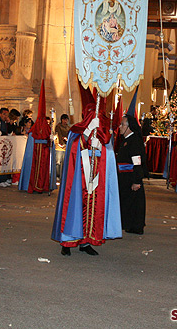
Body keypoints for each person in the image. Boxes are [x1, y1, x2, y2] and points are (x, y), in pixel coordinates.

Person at [51, 84, 121, 256]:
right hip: (78, 179)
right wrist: (87, 136)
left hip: (94, 178)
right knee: (74, 207)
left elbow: (109, 154)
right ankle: (67, 242)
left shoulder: (103, 133)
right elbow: (72, 150)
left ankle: (86, 241)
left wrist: (102, 147)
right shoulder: (77, 132)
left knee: (92, 209)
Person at [18, 81, 54, 194]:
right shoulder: (37, 127)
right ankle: (35, 186)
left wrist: (50, 139)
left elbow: (48, 138)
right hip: (38, 151)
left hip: (43, 151)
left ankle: (42, 186)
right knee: (36, 168)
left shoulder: (41, 126)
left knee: (42, 169)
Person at [117, 114, 147, 234]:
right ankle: (128, 224)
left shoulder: (134, 141)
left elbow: (137, 162)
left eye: (122, 124)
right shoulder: (126, 140)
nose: (120, 126)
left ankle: (136, 226)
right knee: (128, 202)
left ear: (129, 127)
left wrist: (137, 181)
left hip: (131, 177)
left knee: (135, 203)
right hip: (124, 177)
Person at [54, 114, 70, 179]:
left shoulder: (68, 127)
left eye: (66, 120)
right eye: (64, 119)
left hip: (66, 146)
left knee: (64, 162)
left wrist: (67, 139)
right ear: (62, 120)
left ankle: (63, 176)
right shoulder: (58, 127)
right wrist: (61, 142)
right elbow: (59, 135)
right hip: (59, 146)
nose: (65, 121)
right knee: (58, 162)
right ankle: (57, 176)